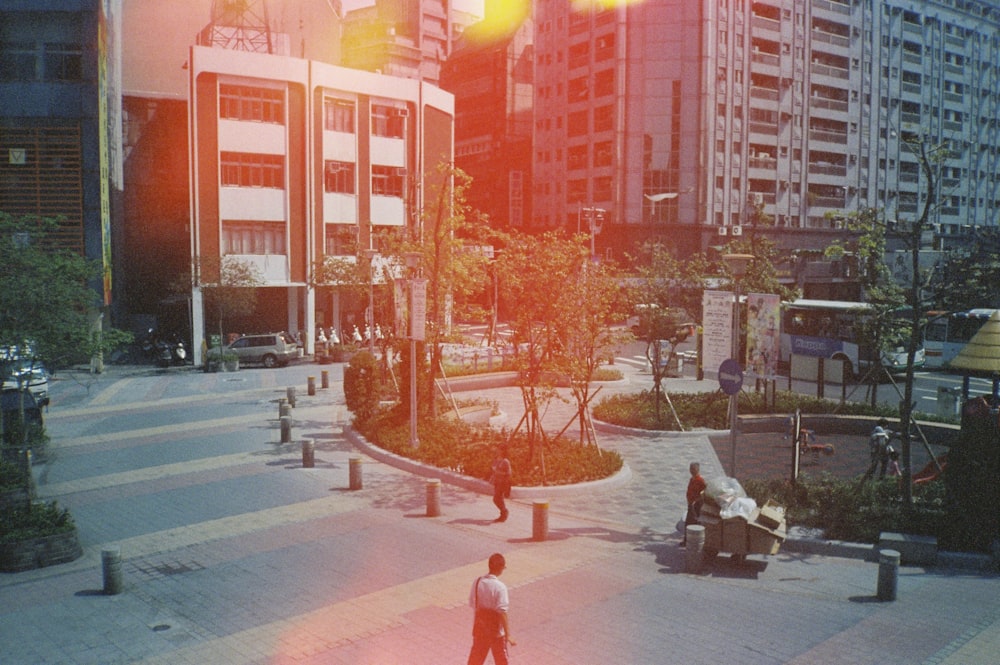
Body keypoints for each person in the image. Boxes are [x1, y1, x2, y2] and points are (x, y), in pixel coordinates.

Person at [468, 553, 515, 665]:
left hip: (480, 629)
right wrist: (508, 635)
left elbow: (472, 603)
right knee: (501, 661)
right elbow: (502, 612)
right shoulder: (500, 587)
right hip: (496, 632)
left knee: (475, 660)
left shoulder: (477, 581)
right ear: (500, 568)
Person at [681, 461, 706, 546]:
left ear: (698, 470)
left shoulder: (700, 480)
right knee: (688, 522)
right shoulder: (692, 479)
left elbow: (704, 493)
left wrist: (696, 501)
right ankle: (687, 540)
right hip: (690, 504)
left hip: (696, 505)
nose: (691, 470)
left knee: (691, 522)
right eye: (691, 469)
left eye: (693, 469)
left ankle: (689, 541)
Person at [490, 445, 512, 522]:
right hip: (497, 481)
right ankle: (503, 514)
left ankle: (504, 512)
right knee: (499, 499)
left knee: (496, 499)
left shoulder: (505, 461)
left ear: (503, 451)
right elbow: (493, 469)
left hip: (502, 482)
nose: (497, 451)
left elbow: (508, 473)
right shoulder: (496, 459)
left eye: (499, 450)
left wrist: (499, 472)